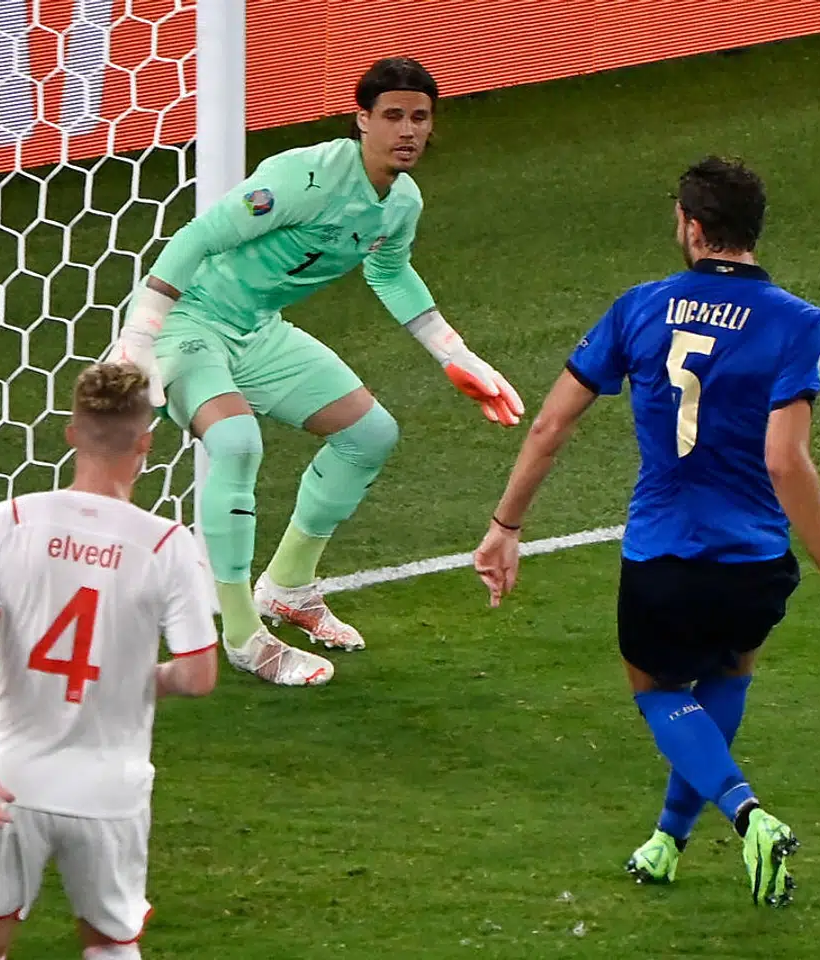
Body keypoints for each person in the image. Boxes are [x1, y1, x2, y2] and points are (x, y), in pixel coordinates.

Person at [472, 157, 820, 906]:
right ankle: (667, 842)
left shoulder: (639, 307)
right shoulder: (801, 323)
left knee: (657, 689)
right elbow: (785, 458)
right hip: (755, 557)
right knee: (729, 672)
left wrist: (506, 524)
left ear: (692, 227)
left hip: (662, 552)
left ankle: (748, 814)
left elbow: (549, 426)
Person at [102, 57, 523, 687]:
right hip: (190, 321)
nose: (408, 130)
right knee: (236, 442)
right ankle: (241, 634)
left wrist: (453, 353)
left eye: (420, 117)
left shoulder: (400, 202)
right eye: (393, 116)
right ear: (363, 119)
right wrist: (140, 334)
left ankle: (289, 587)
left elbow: (389, 272)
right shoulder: (304, 178)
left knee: (369, 434)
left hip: (257, 329)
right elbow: (198, 238)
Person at [0, 363, 218, 960]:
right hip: (109, 791)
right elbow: (198, 676)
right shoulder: (167, 544)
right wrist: (139, 680)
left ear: (71, 433)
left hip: (9, 780)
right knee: (112, 943)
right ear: (145, 443)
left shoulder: (9, 521)